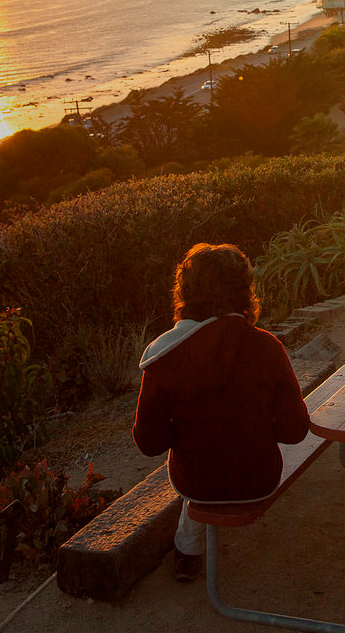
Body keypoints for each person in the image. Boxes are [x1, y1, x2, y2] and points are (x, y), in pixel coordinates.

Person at [132, 242, 310, 582]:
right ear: (245, 291)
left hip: (196, 482)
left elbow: (149, 442)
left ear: (184, 292)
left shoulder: (164, 355)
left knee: (203, 463)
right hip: (259, 478)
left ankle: (188, 549)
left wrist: (189, 432)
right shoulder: (266, 347)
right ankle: (188, 547)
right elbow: (295, 431)